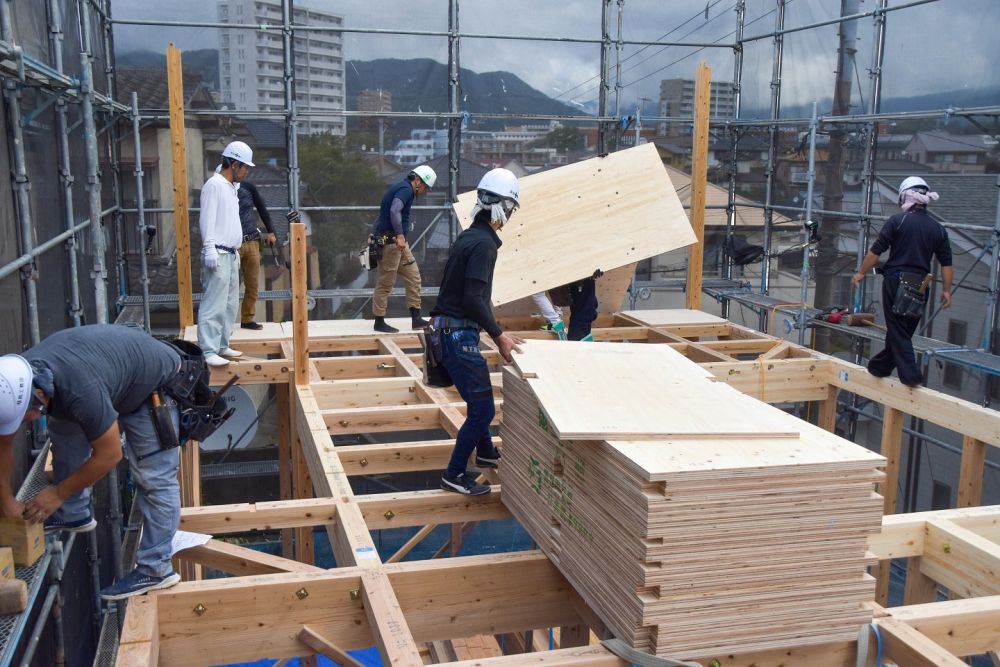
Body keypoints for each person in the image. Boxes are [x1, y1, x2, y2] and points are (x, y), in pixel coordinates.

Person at [0, 325, 186, 600]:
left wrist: (58, 493)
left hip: (153, 385)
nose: (27, 423)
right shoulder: (18, 381)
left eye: (27, 415)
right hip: (104, 374)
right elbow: (3, 444)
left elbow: (110, 454)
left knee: (154, 477)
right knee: (64, 426)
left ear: (39, 396)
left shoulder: (80, 392)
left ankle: (156, 568)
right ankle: (74, 513)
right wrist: (6, 500)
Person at [431, 168, 524, 495]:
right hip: (457, 335)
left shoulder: (469, 237)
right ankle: (453, 475)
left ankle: (485, 452)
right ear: (503, 209)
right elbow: (473, 299)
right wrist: (499, 336)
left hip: (446, 333)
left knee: (477, 400)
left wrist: (498, 328)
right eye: (510, 210)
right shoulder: (485, 245)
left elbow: (473, 297)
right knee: (483, 408)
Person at [850, 176, 953, 387]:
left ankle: (911, 377)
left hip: (896, 281)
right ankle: (880, 366)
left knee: (898, 331)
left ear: (905, 196)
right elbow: (947, 264)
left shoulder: (898, 221)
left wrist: (860, 272)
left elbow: (876, 252)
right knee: (903, 332)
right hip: (922, 286)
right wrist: (947, 290)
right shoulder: (938, 229)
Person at [198, 140, 254, 367]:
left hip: (231, 253)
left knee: (230, 303)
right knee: (214, 303)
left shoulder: (230, 187)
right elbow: (207, 219)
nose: (246, 172)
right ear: (233, 163)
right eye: (244, 167)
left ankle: (221, 345)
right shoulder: (214, 185)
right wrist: (209, 247)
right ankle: (208, 349)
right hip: (218, 252)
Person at [372, 165, 437, 333]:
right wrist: (400, 235)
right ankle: (379, 322)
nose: (424, 191)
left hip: (399, 246)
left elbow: (382, 214)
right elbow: (394, 210)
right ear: (418, 181)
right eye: (425, 187)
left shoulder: (400, 187)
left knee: (413, 277)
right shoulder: (406, 190)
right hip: (392, 243)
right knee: (385, 284)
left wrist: (373, 233)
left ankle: (416, 319)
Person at [236, 180, 278, 331]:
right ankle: (224, 323)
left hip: (252, 239)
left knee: (252, 284)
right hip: (232, 243)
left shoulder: (248, 187)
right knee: (230, 286)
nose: (245, 171)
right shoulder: (221, 188)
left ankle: (247, 319)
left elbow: (261, 208)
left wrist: (271, 231)